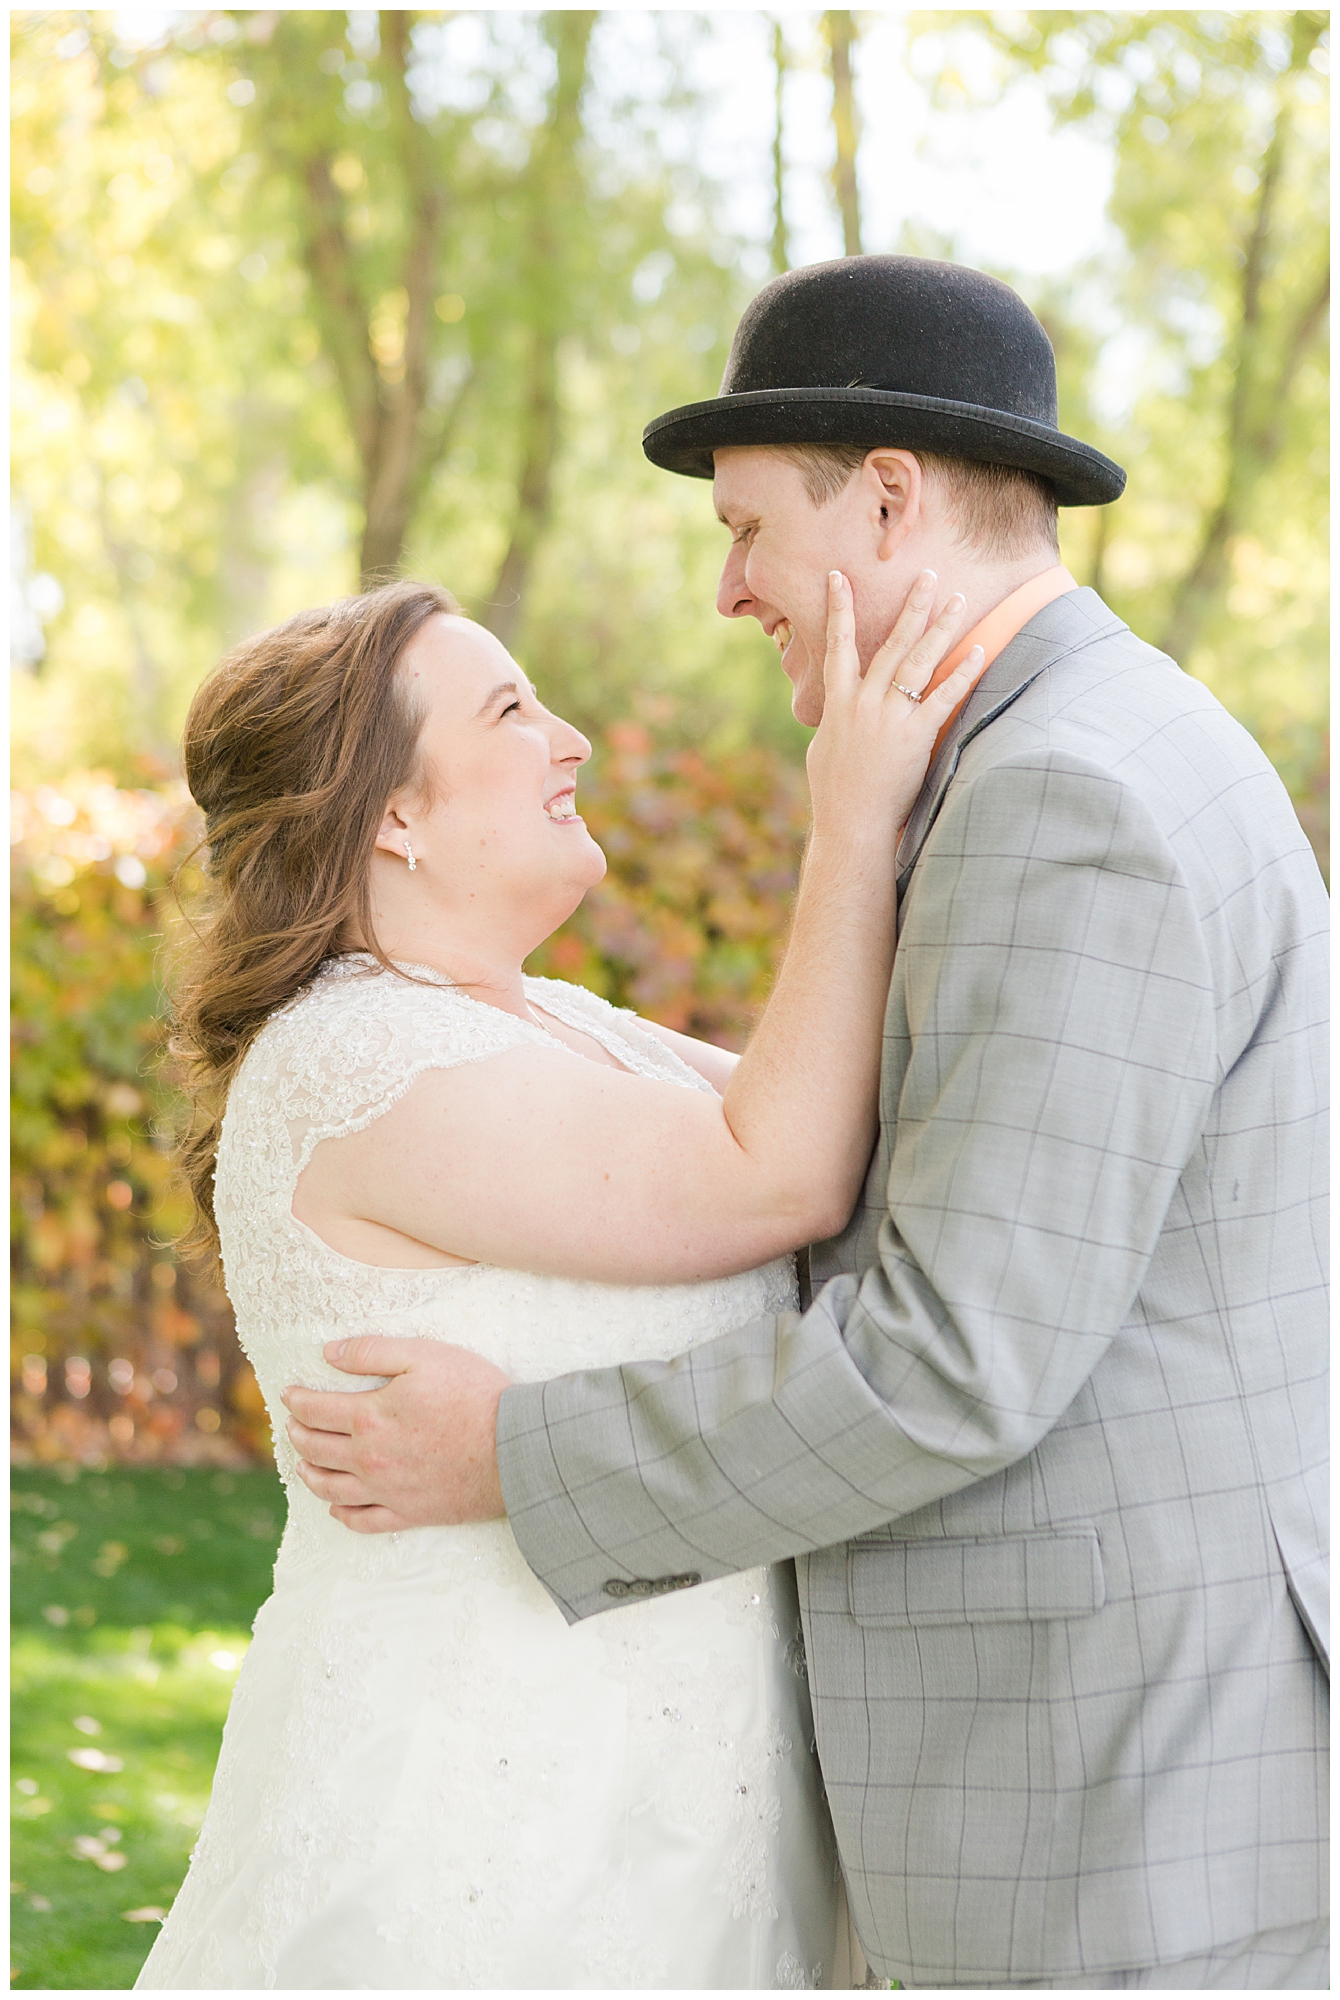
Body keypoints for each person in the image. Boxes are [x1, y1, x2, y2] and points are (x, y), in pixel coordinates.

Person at [286, 257, 1329, 1991]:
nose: (728, 592)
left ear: (895, 501)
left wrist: (507, 1455)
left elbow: (954, 1357)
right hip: (1100, 1755)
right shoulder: (1058, 748)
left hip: (1100, 1794)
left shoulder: (1061, 795)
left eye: (751, 530)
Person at [134, 563, 988, 1989]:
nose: (570, 739)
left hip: (673, 1793)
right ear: (394, 811)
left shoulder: (558, 1022)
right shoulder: (358, 1063)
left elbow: (860, 1129)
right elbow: (778, 1176)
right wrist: (848, 823)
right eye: (513, 708)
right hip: (486, 1824)